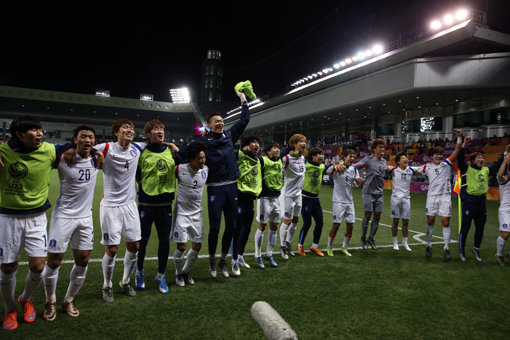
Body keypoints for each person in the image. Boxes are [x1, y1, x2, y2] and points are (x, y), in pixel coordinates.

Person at [0, 116, 99, 331]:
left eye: (40, 130)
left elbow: (90, 147)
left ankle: (27, 299)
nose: (39, 134)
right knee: (9, 267)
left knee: (39, 266)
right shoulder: (6, 150)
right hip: (10, 216)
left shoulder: (52, 150)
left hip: (39, 217)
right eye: (33, 131)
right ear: (19, 134)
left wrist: (83, 149)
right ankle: (13, 308)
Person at [178, 83, 253, 278]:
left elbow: (244, 119)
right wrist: (173, 151)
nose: (220, 123)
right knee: (216, 227)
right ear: (209, 125)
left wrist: (243, 99)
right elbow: (185, 152)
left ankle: (223, 261)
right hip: (215, 189)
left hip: (232, 188)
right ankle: (212, 261)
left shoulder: (229, 135)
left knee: (232, 226)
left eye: (221, 121)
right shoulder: (204, 141)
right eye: (215, 122)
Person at [42, 125, 99, 321]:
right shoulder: (64, 157)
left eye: (91, 137)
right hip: (63, 216)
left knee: (83, 260)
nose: (88, 140)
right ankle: (50, 301)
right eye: (83, 137)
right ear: (75, 140)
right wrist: (66, 147)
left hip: (85, 218)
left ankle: (68, 299)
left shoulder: (96, 158)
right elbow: (45, 148)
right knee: (54, 261)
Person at [94, 119, 147, 302]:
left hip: (130, 205)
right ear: (116, 132)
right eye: (125, 128)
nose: (129, 130)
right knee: (113, 248)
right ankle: (107, 284)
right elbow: (85, 148)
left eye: (131, 128)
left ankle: (125, 281)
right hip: (110, 206)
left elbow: (154, 143)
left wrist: (170, 145)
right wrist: (95, 153)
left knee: (134, 246)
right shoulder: (106, 147)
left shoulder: (138, 148)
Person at [134, 120, 177, 294]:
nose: (160, 131)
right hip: (146, 204)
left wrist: (173, 147)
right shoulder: (141, 152)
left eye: (162, 129)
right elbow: (134, 176)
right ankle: (139, 272)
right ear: (148, 134)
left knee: (164, 241)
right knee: (142, 242)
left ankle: (161, 275)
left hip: (165, 204)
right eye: (156, 129)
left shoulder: (170, 151)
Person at [457, 138, 505, 262]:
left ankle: (476, 249)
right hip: (469, 203)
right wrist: (463, 144)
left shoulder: (486, 170)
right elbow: (460, 157)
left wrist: (505, 154)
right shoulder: (466, 169)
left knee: (480, 228)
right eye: (479, 157)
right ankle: (461, 250)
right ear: (473, 161)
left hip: (481, 204)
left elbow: (498, 164)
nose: (481, 159)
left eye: (482, 157)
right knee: (465, 227)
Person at [422, 129, 462, 260]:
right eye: (436, 155)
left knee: (445, 222)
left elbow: (456, 152)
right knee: (430, 221)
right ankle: (428, 246)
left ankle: (446, 248)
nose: (439, 156)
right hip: (431, 197)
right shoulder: (426, 167)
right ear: (431, 156)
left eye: (440, 154)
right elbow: (412, 170)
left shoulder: (446, 164)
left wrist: (459, 139)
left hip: (445, 196)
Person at [172, 142, 208, 286]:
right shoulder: (179, 169)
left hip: (196, 214)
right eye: (199, 158)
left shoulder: (206, 170)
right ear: (191, 159)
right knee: (181, 247)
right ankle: (177, 273)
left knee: (197, 246)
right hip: (181, 213)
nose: (203, 161)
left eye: (204, 157)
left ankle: (185, 271)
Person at [231, 135, 262, 275]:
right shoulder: (239, 155)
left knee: (247, 229)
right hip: (239, 197)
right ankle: (234, 260)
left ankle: (241, 256)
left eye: (257, 143)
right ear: (246, 145)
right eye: (253, 143)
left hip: (250, 199)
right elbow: (227, 153)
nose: (256, 145)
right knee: (237, 230)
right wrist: (239, 150)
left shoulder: (259, 160)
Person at [326, 149, 364, 256]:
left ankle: (344, 247)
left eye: (353, 156)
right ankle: (329, 248)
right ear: (344, 157)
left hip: (349, 202)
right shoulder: (339, 167)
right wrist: (335, 167)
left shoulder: (354, 170)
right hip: (338, 201)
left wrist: (361, 182)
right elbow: (328, 171)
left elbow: (359, 185)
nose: (352, 158)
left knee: (350, 226)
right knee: (336, 225)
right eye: (350, 156)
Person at [354, 138, 387, 250]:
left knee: (377, 216)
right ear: (374, 149)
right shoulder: (367, 159)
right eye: (380, 147)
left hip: (379, 193)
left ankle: (371, 238)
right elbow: (354, 167)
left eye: (383, 147)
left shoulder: (384, 161)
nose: (382, 149)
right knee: (367, 215)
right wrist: (358, 178)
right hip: (368, 191)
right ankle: (363, 238)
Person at [254, 142, 283, 268]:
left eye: (278, 148)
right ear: (268, 152)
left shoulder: (280, 161)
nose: (277, 149)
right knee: (262, 225)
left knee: (275, 225)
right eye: (274, 148)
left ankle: (269, 253)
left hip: (276, 197)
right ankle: (258, 255)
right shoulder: (263, 160)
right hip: (264, 197)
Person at [387, 152, 423, 251]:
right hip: (395, 199)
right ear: (398, 162)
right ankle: (395, 242)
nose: (406, 159)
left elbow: (422, 168)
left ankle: (405, 242)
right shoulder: (394, 170)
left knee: (406, 221)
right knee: (395, 221)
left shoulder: (411, 170)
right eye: (403, 158)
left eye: (406, 158)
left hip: (406, 199)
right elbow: (381, 167)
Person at [279, 134, 307, 259]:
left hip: (298, 195)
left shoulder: (303, 158)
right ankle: (282, 246)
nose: (304, 143)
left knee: (295, 221)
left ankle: (288, 243)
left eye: (305, 141)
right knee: (287, 221)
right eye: (301, 141)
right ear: (294, 144)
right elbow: (277, 165)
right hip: (288, 195)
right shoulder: (286, 159)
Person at [297, 147, 327, 256]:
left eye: (322, 153)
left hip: (316, 199)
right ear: (313, 156)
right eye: (319, 154)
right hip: (305, 198)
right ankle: (300, 245)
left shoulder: (322, 166)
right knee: (307, 223)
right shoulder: (306, 165)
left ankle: (315, 246)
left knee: (320, 223)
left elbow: (330, 168)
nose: (322, 156)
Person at [496, 150, 510, 266]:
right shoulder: (505, 179)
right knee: (505, 234)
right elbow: (499, 175)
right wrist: (505, 160)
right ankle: (499, 255)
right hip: (505, 210)